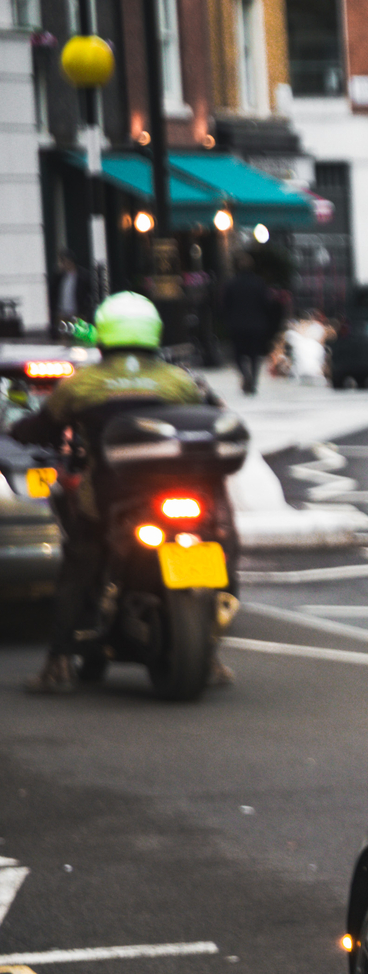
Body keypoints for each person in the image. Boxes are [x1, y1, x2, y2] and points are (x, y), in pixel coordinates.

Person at [15, 292, 216, 695]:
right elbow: (208, 417)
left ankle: (58, 660)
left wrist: (15, 433)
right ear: (154, 333)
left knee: (80, 562)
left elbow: (42, 429)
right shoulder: (177, 381)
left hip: (108, 496)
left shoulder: (82, 384)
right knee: (214, 544)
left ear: (104, 334)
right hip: (177, 490)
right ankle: (215, 656)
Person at [220, 263, 282, 395]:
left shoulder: (232, 283)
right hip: (256, 325)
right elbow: (267, 304)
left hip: (237, 325)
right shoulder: (259, 283)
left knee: (237, 355)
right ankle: (253, 380)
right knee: (254, 355)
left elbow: (225, 305)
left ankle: (245, 375)